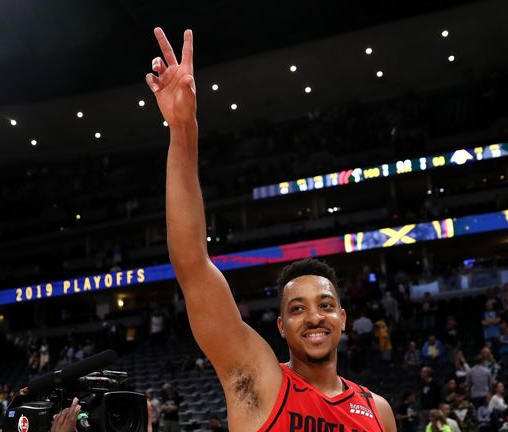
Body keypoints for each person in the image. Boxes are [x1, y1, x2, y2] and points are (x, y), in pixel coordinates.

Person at [145, 27, 396, 432]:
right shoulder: (259, 381)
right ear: (280, 326)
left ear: (343, 318)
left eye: (325, 305)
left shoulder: (378, 411)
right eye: (297, 309)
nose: (314, 317)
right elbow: (191, 263)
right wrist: (183, 131)